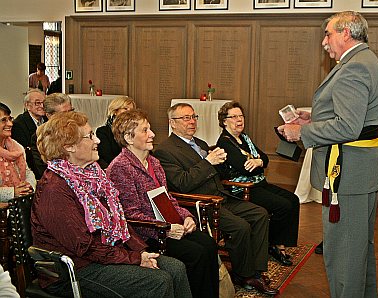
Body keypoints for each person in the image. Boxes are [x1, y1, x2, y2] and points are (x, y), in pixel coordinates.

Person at [278, 11, 378, 297]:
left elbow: (349, 126)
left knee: (344, 253)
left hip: (349, 173)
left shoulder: (354, 67)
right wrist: (312, 117)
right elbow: (358, 117)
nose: (324, 41)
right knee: (359, 248)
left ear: (345, 33)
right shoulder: (364, 60)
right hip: (360, 169)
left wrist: (302, 133)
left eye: (328, 33)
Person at [32, 111, 191, 298]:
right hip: (76, 269)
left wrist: (142, 252)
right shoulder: (54, 189)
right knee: (157, 280)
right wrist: (135, 258)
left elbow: (120, 221)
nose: (97, 140)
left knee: (176, 268)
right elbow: (84, 245)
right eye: (90, 136)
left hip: (104, 255)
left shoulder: (93, 175)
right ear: (69, 147)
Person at [154, 103, 279, 296]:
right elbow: (182, 183)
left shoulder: (201, 143)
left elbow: (216, 173)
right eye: (185, 118)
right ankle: (245, 275)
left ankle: (257, 269)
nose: (192, 121)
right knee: (241, 226)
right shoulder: (165, 150)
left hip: (221, 195)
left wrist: (223, 164)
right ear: (172, 123)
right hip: (202, 203)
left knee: (260, 214)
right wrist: (208, 162)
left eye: (194, 117)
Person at [107, 109, 219, 298]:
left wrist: (186, 217)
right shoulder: (120, 168)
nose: (152, 134)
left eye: (149, 129)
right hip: (147, 234)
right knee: (195, 253)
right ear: (128, 137)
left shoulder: (154, 163)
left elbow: (168, 199)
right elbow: (129, 215)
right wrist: (166, 228)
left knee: (207, 244)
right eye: (145, 130)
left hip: (168, 226)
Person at [216, 101, 299, 266]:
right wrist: (257, 163)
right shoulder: (225, 142)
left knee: (293, 199)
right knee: (283, 205)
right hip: (243, 190)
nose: (239, 120)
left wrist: (258, 162)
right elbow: (245, 169)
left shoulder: (244, 138)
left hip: (260, 184)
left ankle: (277, 241)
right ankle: (276, 245)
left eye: (241, 116)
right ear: (224, 121)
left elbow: (265, 159)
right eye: (234, 117)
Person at [31, 93, 73, 179]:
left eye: (71, 111)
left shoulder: (81, 130)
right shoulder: (40, 136)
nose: (69, 117)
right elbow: (43, 169)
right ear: (49, 116)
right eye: (64, 113)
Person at [0, 102, 36, 202]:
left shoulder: (16, 147)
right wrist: (12, 193)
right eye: (3, 120)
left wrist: (29, 186)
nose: (10, 124)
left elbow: (28, 172)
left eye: (10, 119)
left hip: (19, 207)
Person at [96, 96, 136, 169]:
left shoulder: (135, 131)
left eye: (131, 110)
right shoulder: (103, 132)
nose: (129, 112)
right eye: (125, 109)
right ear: (115, 111)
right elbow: (107, 157)